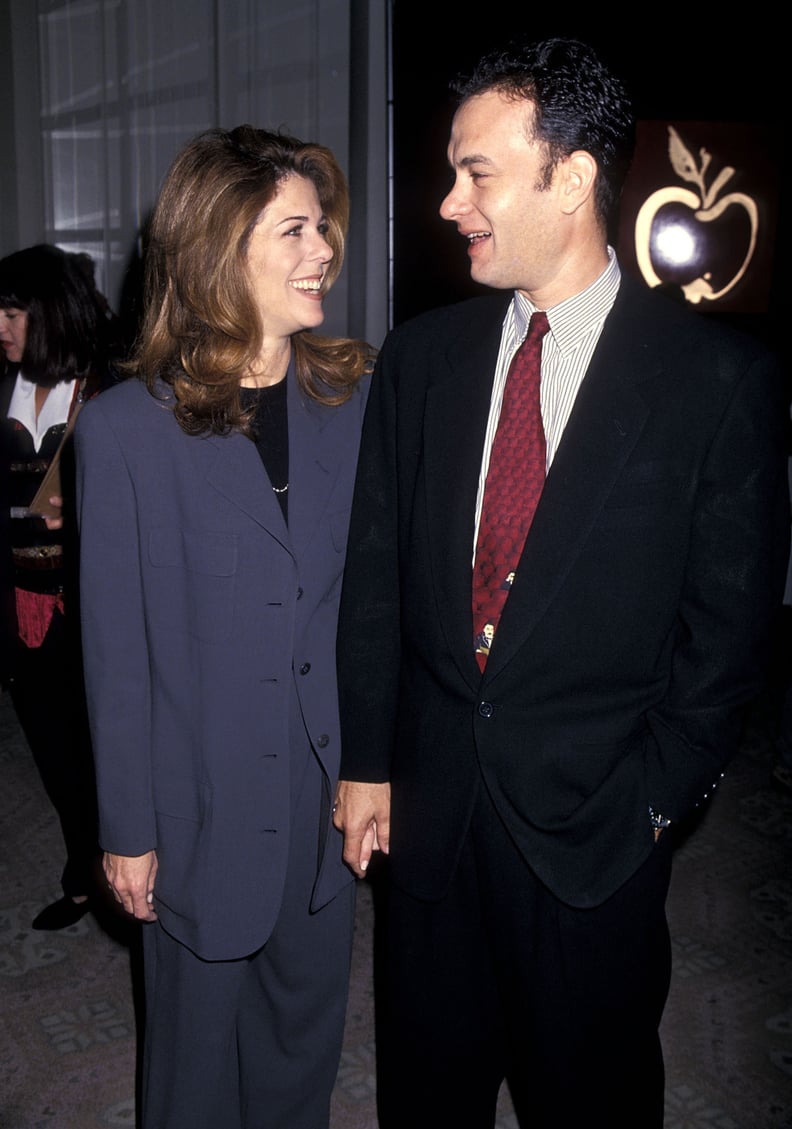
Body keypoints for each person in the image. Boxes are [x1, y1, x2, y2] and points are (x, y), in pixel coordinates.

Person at [333, 37, 789, 1129]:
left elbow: (726, 638)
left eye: (475, 172)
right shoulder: (422, 359)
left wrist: (650, 801)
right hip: (432, 825)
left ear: (572, 178)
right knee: (427, 1097)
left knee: (590, 1098)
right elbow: (379, 575)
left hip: (596, 836)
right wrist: (366, 761)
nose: (449, 203)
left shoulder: (716, 382)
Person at [73, 124, 374, 1129]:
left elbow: (371, 609)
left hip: (327, 806)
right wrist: (128, 832)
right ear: (217, 250)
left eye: (322, 226)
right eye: (293, 229)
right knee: (194, 1078)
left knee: (302, 1056)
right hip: (196, 812)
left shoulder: (353, 401)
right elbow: (117, 658)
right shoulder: (125, 431)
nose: (324, 249)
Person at [0, 243, 112, 930]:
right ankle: (81, 875)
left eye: (13, 313)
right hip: (18, 605)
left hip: (91, 607)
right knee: (53, 752)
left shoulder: (105, 389)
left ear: (52, 313)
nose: (2, 328)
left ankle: (123, 871)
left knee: (108, 754)